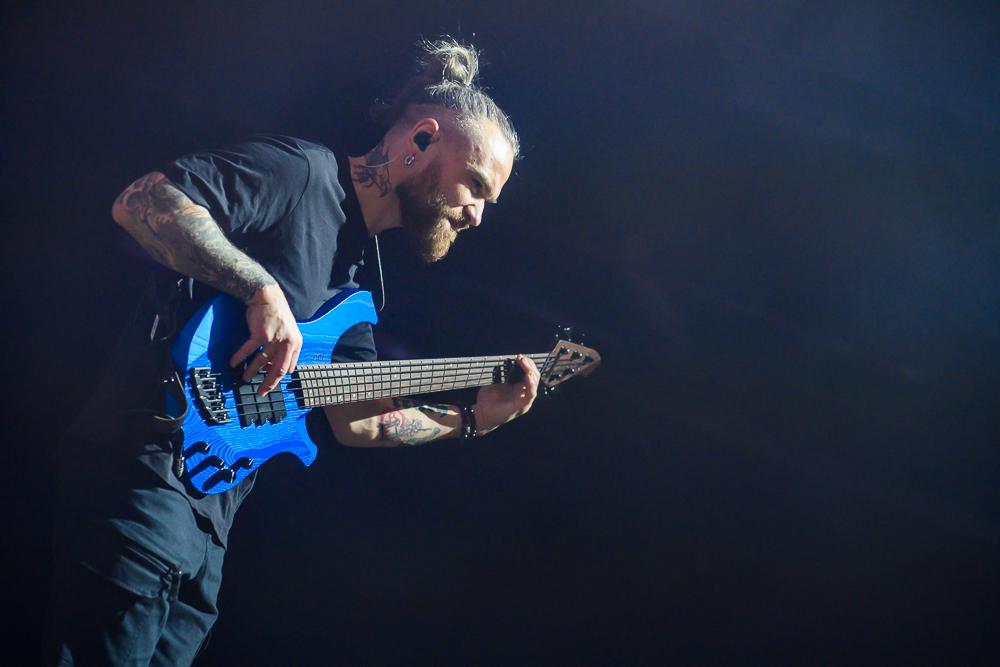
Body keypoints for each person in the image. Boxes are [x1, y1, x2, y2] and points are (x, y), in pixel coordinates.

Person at [46, 38, 539, 665]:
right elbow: (144, 201)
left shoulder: (359, 286)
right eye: (474, 185)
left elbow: (358, 421)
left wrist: (471, 418)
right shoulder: (302, 174)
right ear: (421, 139)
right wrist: (260, 287)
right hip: (147, 472)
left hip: (206, 528)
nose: (476, 215)